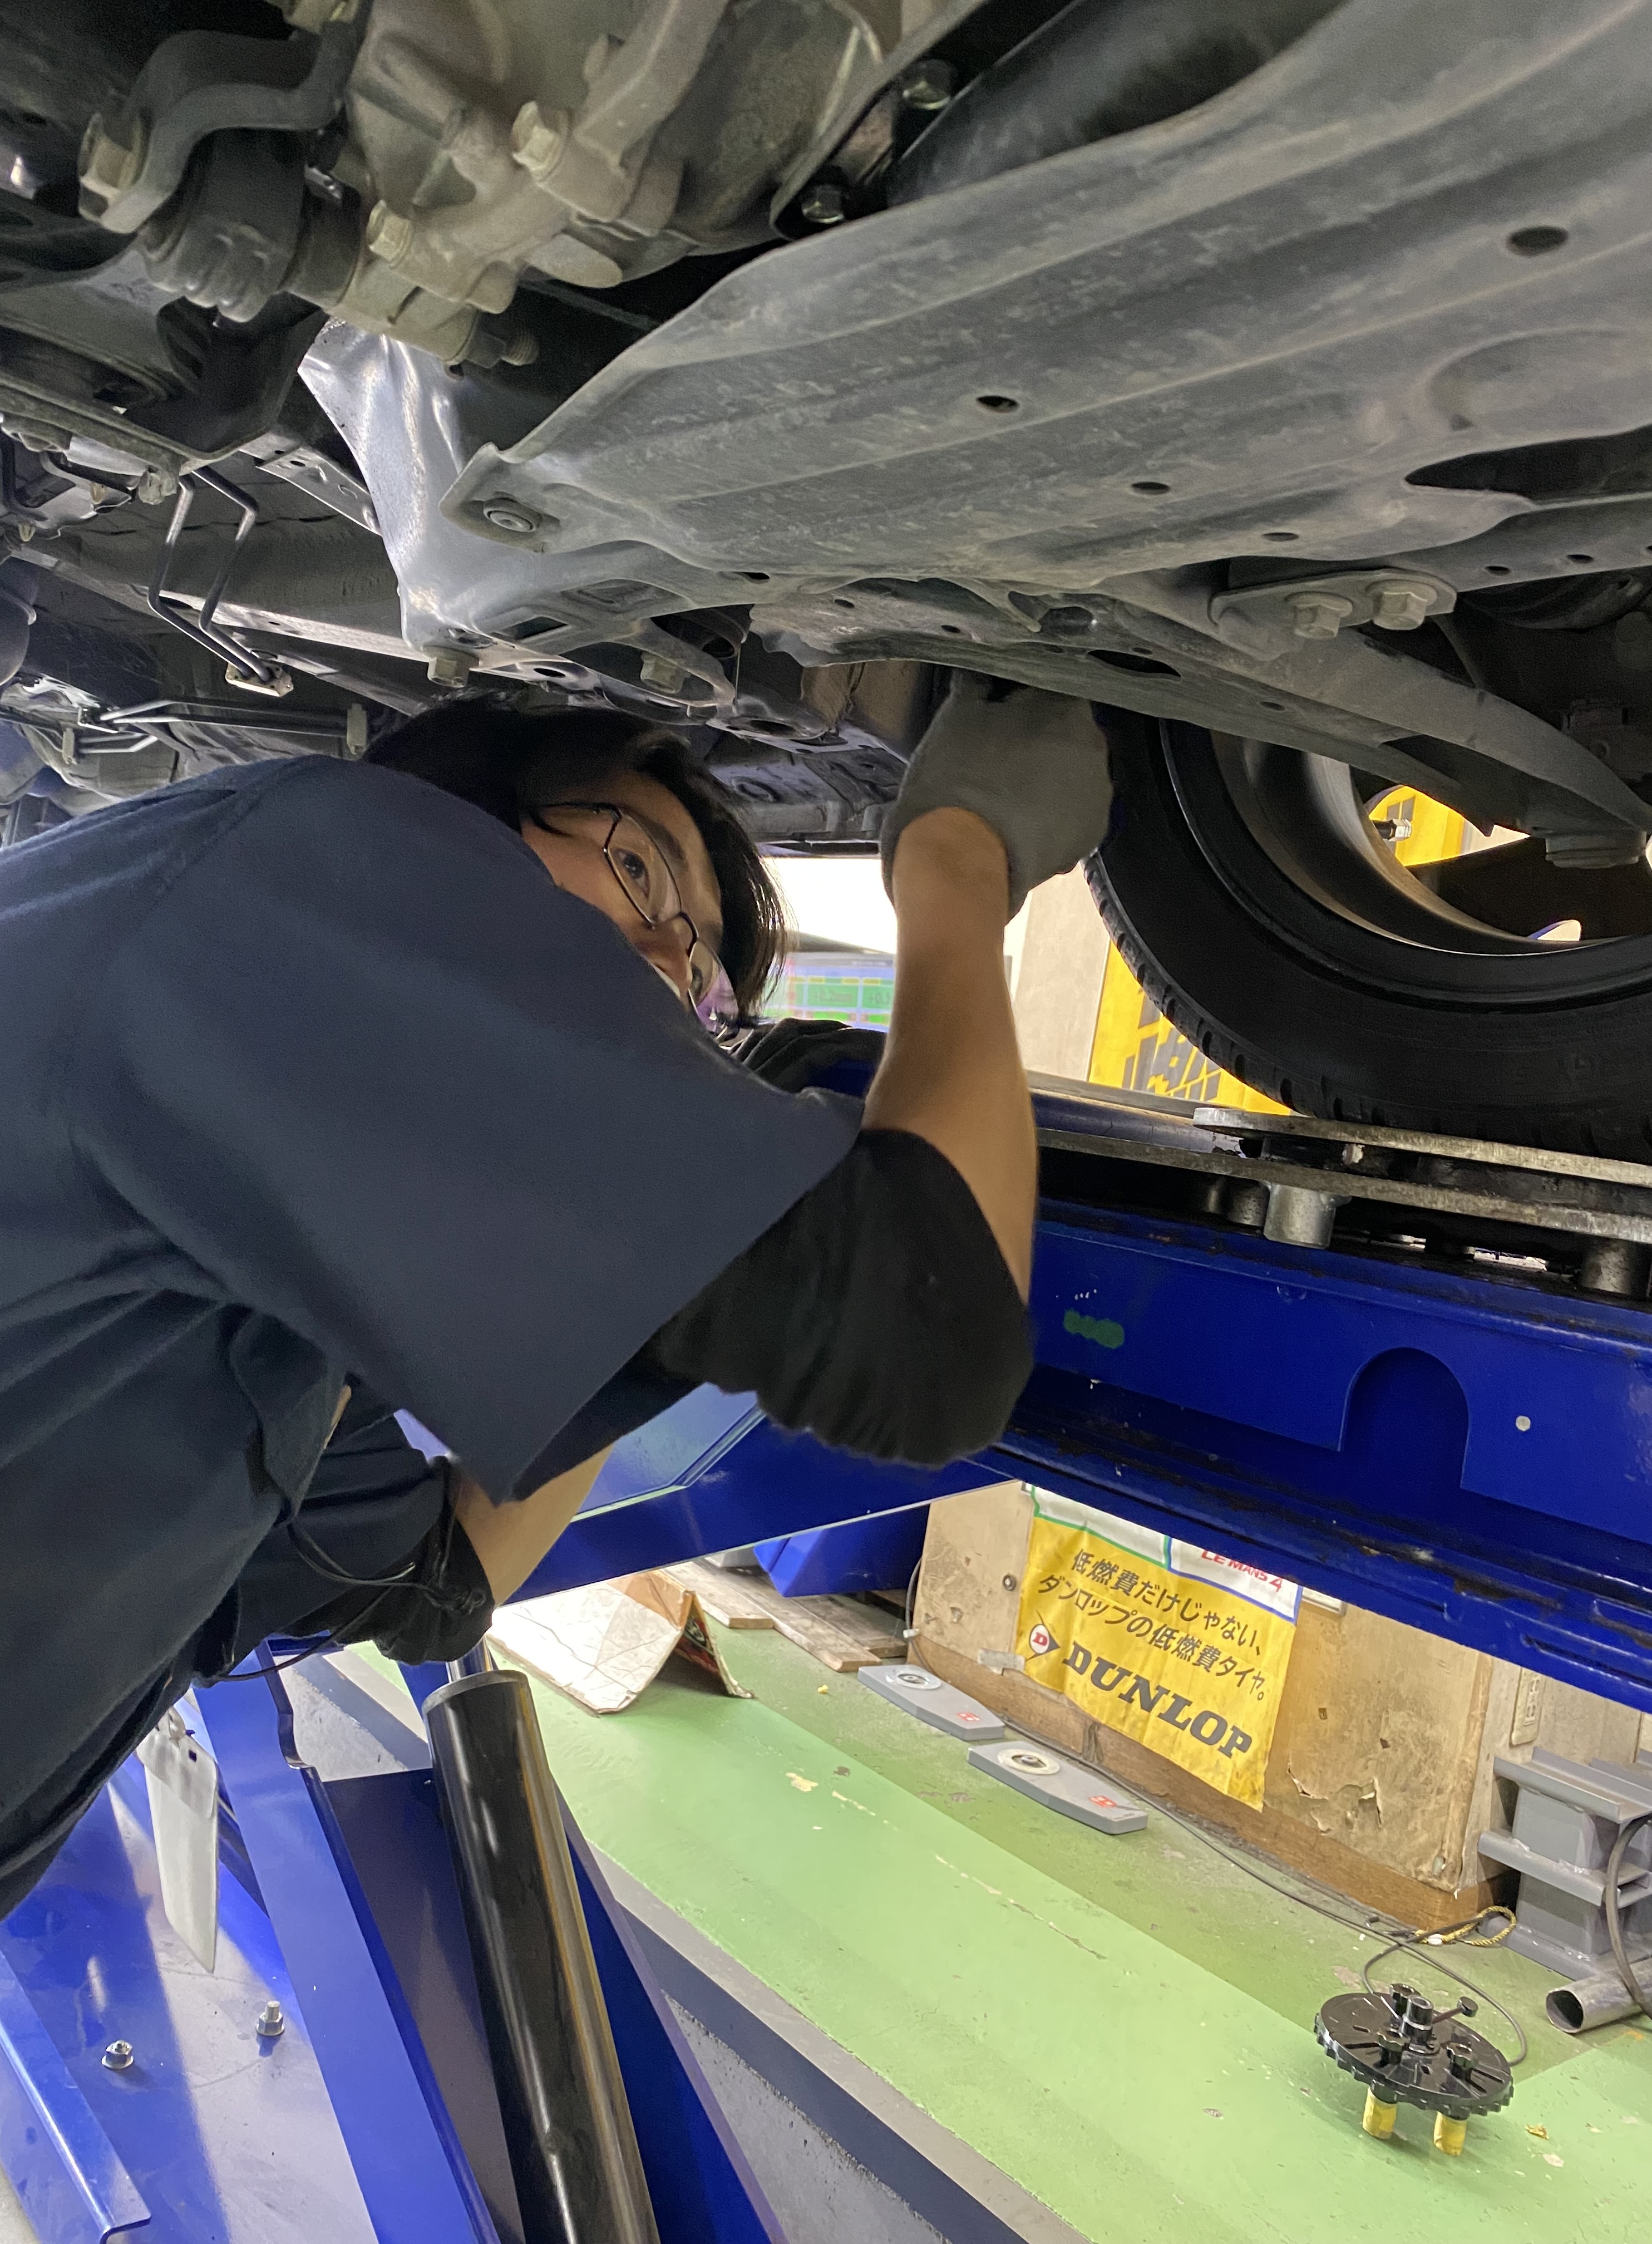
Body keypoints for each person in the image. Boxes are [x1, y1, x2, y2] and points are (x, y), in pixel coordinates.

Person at [0, 675, 1112, 1910]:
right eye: (640, 870)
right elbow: (926, 1337)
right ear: (455, 808)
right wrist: (959, 855)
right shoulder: (312, 869)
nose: (665, 961)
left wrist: (681, 1241)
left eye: (698, 972)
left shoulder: (253, 1247)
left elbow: (443, 1576)